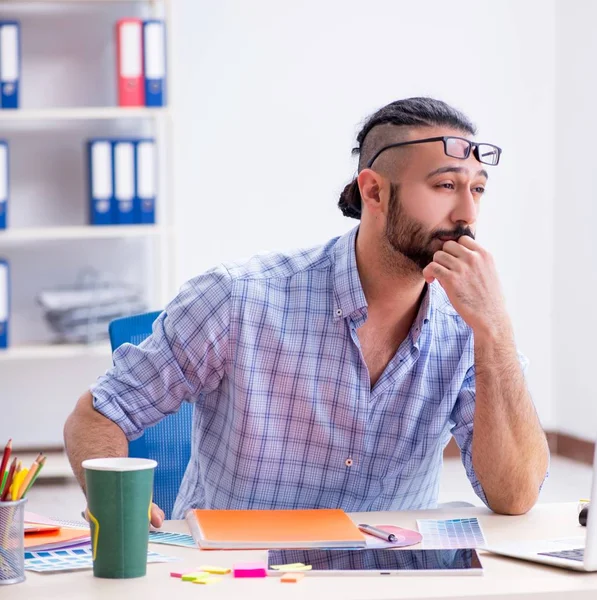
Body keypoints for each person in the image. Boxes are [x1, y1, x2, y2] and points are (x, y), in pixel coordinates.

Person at [64, 97, 549, 527]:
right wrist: (111, 497)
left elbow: (515, 496)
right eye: (446, 185)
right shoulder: (239, 298)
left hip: (392, 578)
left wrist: (496, 332)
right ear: (374, 192)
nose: (468, 213)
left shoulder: (468, 326)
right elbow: (99, 412)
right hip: (238, 578)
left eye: (478, 189)